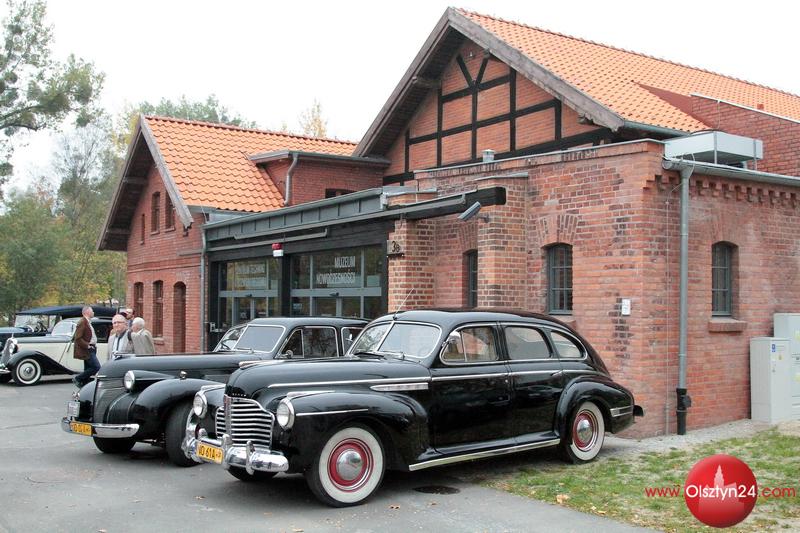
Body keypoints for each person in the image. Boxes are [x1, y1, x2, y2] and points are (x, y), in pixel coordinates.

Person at [72, 306, 100, 387]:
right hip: (87, 349)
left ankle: (84, 386)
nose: (93, 313)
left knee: (88, 369)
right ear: (87, 312)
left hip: (91, 348)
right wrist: (87, 346)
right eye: (92, 311)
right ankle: (77, 378)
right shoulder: (82, 322)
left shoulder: (88, 322)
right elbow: (78, 338)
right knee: (96, 367)